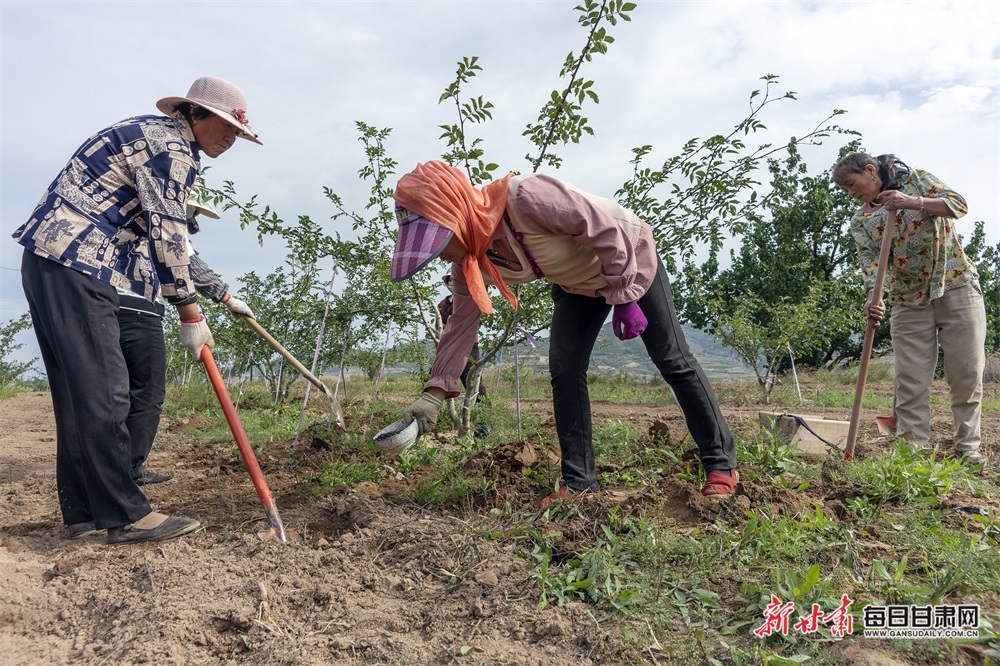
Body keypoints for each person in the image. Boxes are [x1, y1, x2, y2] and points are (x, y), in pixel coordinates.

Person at [389, 161, 739, 505]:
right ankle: (579, 484)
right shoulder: (467, 264)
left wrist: (624, 294)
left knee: (671, 358)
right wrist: (433, 396)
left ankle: (721, 464)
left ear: (454, 215)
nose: (437, 256)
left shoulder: (526, 197)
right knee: (565, 369)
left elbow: (603, 229)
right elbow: (460, 328)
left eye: (436, 243)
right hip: (578, 285)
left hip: (626, 256)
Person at [13, 75, 262, 543]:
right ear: (194, 113)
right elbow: (169, 232)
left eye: (238, 132)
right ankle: (126, 514)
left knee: (78, 395)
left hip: (51, 261)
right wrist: (190, 310)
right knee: (108, 393)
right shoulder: (172, 148)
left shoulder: (146, 132)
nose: (231, 138)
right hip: (81, 264)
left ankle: (86, 513)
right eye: (226, 126)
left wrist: (212, 295)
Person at [833, 152, 986, 463]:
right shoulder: (862, 220)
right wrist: (874, 298)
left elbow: (958, 204)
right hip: (908, 301)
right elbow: (873, 266)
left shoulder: (918, 181)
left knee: (966, 374)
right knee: (911, 381)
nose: (851, 194)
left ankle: (967, 448)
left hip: (954, 285)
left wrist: (911, 201)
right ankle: (910, 455)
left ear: (871, 171)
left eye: (852, 185)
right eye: (845, 191)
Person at [121, 187, 255, 487]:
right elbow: (191, 267)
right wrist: (226, 298)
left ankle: (108, 471)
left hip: (105, 304)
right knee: (147, 392)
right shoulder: (168, 224)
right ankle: (130, 469)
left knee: (114, 395)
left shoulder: (129, 218)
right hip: (141, 309)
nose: (194, 217)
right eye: (192, 210)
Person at [438, 273, 487, 403]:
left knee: (471, 378)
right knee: (438, 375)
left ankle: (484, 412)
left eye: (456, 280)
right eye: (451, 281)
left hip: (469, 343)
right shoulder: (443, 304)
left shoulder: (471, 299)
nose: (453, 283)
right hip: (450, 344)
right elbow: (440, 325)